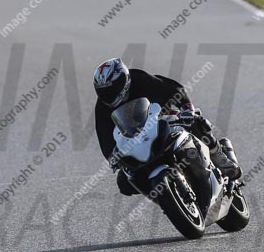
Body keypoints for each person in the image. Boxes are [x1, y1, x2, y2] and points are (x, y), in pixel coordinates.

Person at [94, 58, 241, 196]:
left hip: (163, 119)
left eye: (113, 87)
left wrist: (186, 108)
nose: (109, 94)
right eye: (104, 91)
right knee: (124, 184)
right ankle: (163, 193)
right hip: (137, 140)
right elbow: (104, 139)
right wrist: (113, 158)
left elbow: (173, 89)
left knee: (196, 121)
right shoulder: (102, 107)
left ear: (124, 79)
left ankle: (218, 155)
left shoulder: (139, 79)